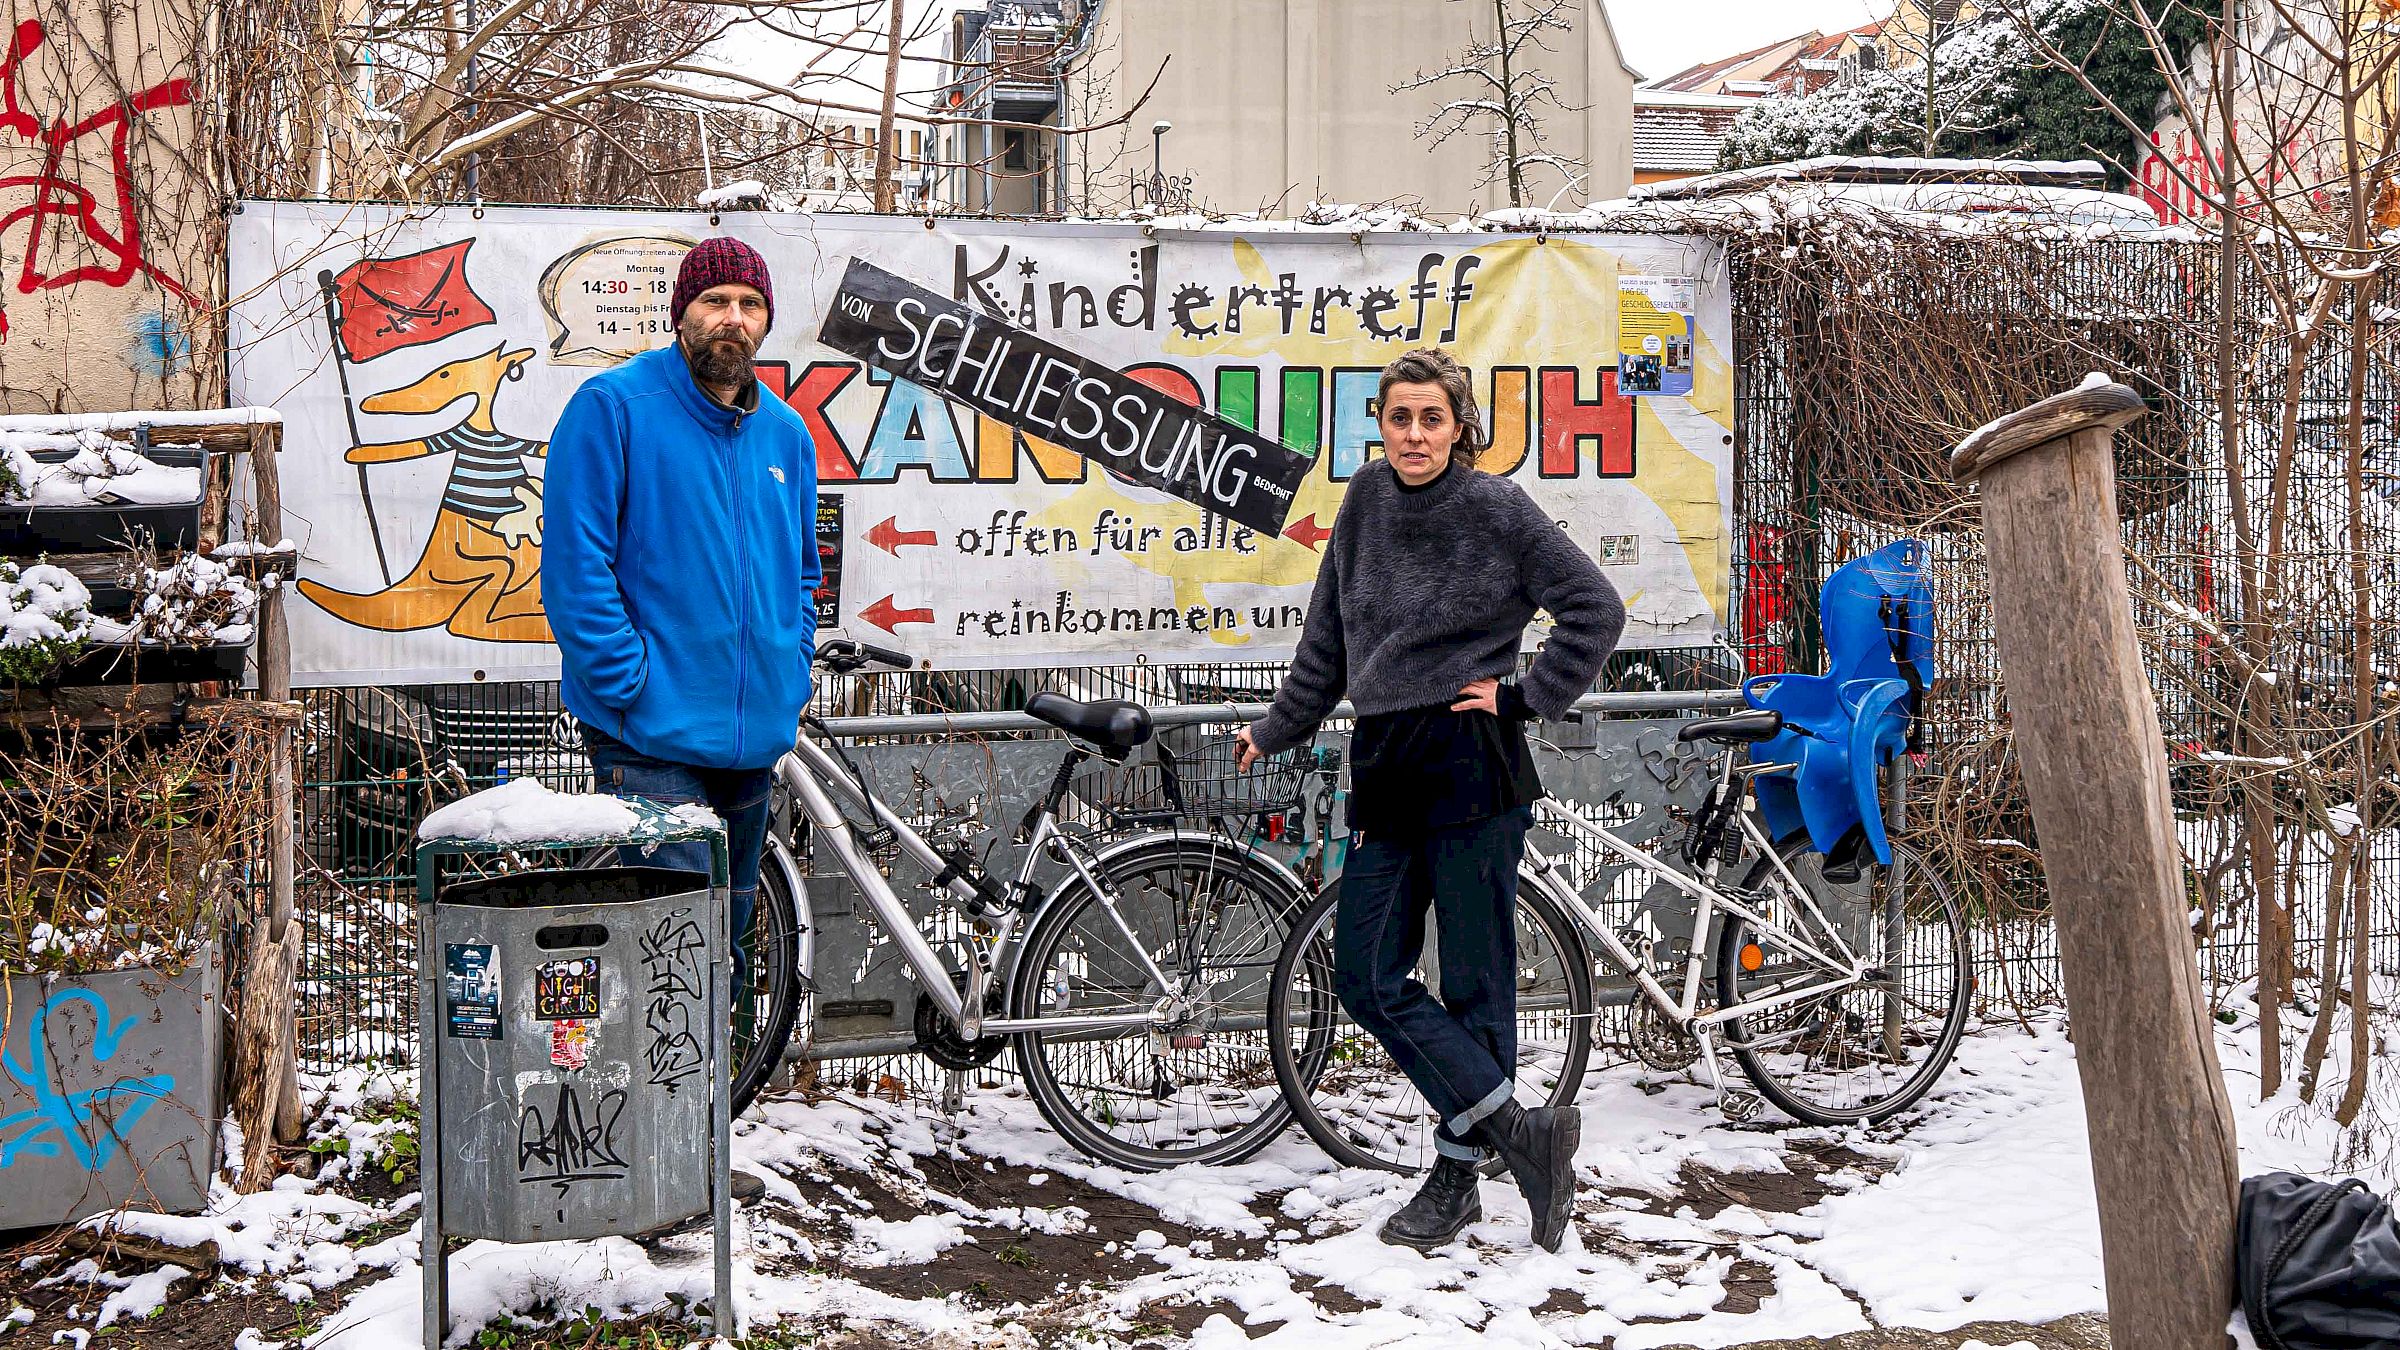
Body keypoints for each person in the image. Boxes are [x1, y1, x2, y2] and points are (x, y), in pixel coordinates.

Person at [1237, 347, 1624, 1253]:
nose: (1415, 436)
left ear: (1460, 427)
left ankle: (1456, 1181)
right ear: (1381, 422)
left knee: (1476, 982)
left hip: (1469, 762)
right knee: (1366, 974)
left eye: (1433, 420)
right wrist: (1282, 724)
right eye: (1400, 418)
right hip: (1385, 762)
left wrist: (1526, 695)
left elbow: (1593, 609)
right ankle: (1519, 1133)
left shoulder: (1493, 508)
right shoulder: (1366, 502)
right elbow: (1327, 637)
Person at [544, 235, 822, 999]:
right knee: (668, 952)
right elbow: (575, 567)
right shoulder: (612, 409)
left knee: (722, 960)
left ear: (765, 321)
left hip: (753, 737)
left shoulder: (788, 436)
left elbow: (803, 574)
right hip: (648, 732)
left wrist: (787, 674)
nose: (732, 318)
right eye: (714, 302)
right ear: (681, 314)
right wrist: (629, 682)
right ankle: (650, 1115)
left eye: (749, 304)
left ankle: (705, 1116)